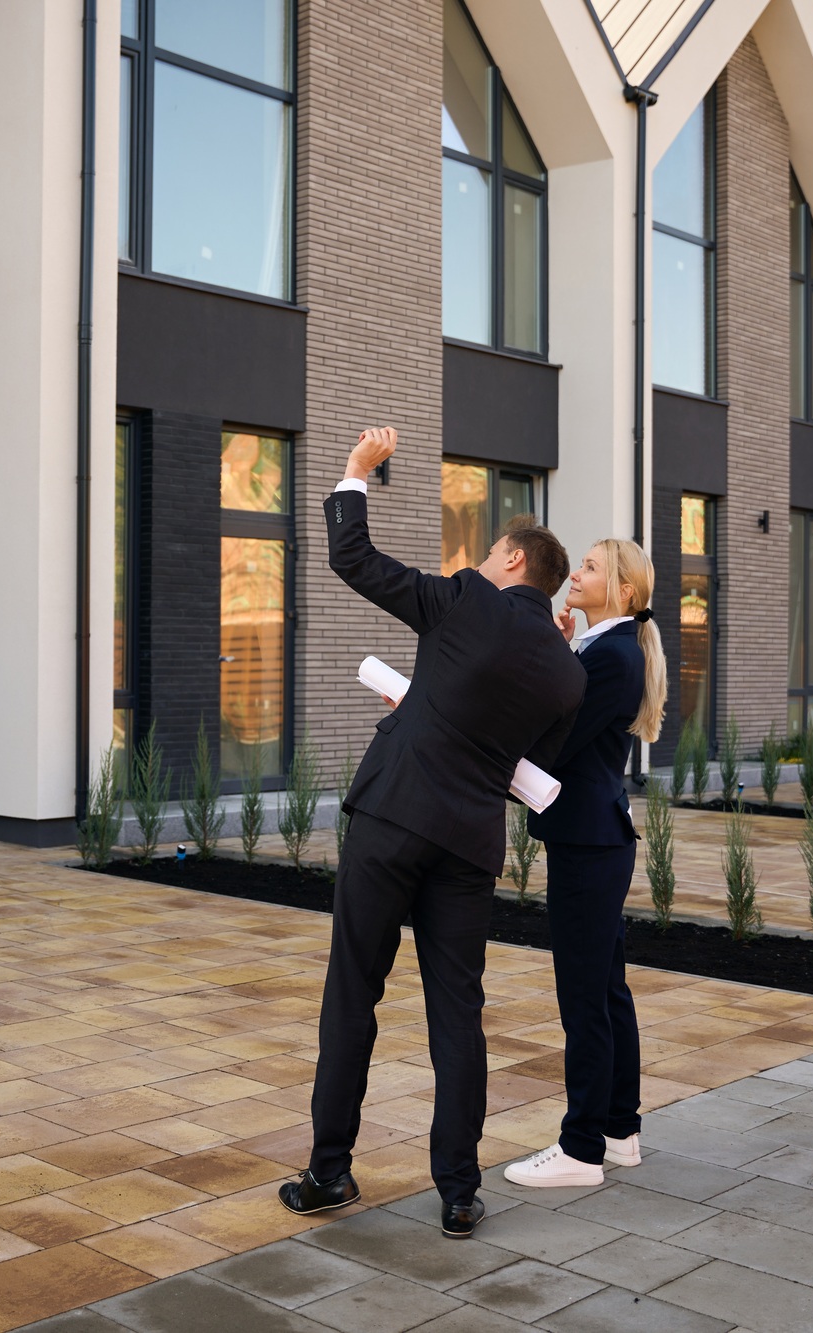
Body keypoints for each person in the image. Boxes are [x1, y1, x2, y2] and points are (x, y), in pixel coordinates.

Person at [279, 427, 585, 1239]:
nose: (484, 561)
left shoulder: (465, 598)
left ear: (516, 560)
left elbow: (356, 559)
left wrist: (355, 473)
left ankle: (330, 1172)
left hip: (392, 817)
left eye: (492, 552)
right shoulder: (567, 673)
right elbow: (533, 778)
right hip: (467, 843)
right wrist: (429, 709)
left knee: (355, 992)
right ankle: (457, 1190)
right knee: (458, 1011)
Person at [505, 537, 666, 1189]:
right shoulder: (607, 648)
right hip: (596, 837)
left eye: (593, 567)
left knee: (585, 997)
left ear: (624, 592)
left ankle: (579, 1148)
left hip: (588, 842)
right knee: (604, 989)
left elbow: (556, 739)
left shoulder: (615, 656)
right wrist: (563, 645)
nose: (579, 572)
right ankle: (619, 1131)